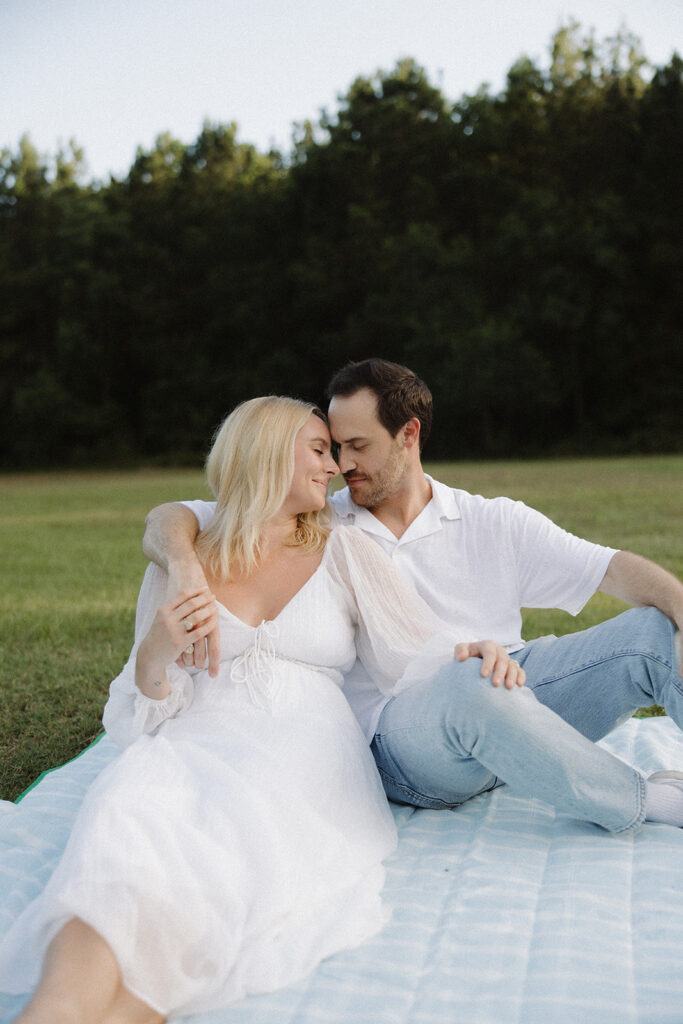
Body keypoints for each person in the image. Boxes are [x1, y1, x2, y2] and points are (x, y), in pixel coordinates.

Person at [0, 396, 517, 1024]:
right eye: (320, 450)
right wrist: (154, 657)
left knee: (228, 866)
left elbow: (413, 654)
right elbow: (139, 718)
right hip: (192, 744)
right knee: (127, 824)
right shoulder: (186, 564)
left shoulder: (347, 551)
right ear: (268, 452)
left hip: (302, 755)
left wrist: (474, 648)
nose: (335, 468)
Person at [144, 359, 683, 834]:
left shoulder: (491, 519)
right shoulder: (315, 518)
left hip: (510, 691)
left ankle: (531, 754)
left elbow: (610, 568)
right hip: (406, 738)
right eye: (334, 448)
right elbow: (176, 516)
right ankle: (645, 800)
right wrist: (184, 564)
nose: (342, 464)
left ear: (408, 435)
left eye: (358, 446)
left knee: (657, 632)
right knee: (472, 689)